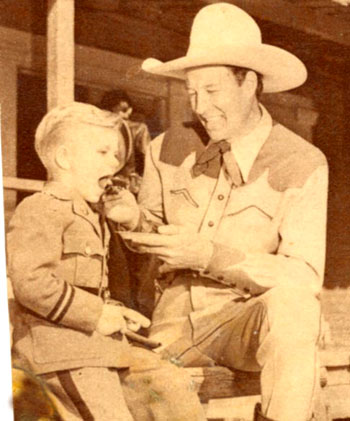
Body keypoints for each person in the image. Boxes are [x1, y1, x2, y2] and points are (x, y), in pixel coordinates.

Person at [111, 3, 329, 421]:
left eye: (212, 91)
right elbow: (150, 232)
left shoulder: (303, 162)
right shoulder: (164, 148)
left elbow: (304, 275)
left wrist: (210, 256)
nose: (201, 107)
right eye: (192, 92)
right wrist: (131, 221)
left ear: (249, 83)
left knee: (297, 306)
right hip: (172, 331)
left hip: (245, 325)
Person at [6, 102, 205, 421]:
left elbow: (95, 283)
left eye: (116, 154)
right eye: (102, 152)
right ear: (63, 158)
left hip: (101, 347)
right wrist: (97, 314)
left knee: (171, 385)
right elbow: (31, 283)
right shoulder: (40, 209)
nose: (114, 162)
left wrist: (115, 311)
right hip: (63, 352)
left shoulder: (93, 215)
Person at [100, 89, 151, 183]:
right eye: (123, 110)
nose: (126, 116)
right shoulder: (139, 128)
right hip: (124, 180)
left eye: (127, 112)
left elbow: (147, 158)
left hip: (111, 179)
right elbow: (148, 158)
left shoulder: (138, 128)